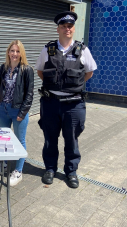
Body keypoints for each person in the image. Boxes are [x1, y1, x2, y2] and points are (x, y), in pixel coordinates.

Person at [35, 11, 97, 189]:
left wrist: (73, 87)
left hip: (74, 104)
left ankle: (71, 172)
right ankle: (50, 169)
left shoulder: (82, 50)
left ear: (73, 29)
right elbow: (40, 71)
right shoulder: (48, 50)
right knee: (50, 139)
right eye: (63, 26)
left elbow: (89, 72)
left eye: (70, 26)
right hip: (51, 103)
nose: (67, 29)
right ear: (58, 29)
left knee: (71, 139)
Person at [0, 40, 34, 186]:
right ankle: (4, 163)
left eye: (17, 51)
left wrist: (22, 112)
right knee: (3, 138)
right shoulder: (3, 68)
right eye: (12, 51)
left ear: (21, 53)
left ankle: (18, 171)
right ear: (8, 52)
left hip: (18, 110)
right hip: (3, 109)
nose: (14, 54)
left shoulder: (27, 70)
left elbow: (29, 94)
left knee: (19, 139)